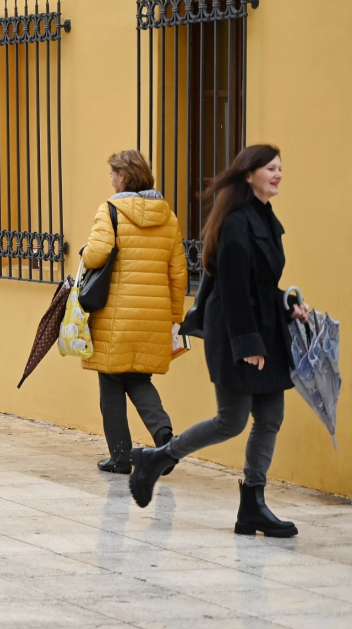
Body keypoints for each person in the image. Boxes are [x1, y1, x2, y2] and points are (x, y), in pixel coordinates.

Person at [129, 145, 310, 538]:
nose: (278, 174)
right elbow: (231, 289)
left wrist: (289, 305)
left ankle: (253, 506)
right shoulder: (236, 223)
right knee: (231, 420)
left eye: (281, 168)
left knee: (270, 418)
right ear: (249, 175)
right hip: (236, 333)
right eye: (270, 168)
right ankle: (156, 458)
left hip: (263, 330)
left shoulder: (264, 216)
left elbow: (261, 284)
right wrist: (247, 344)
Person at [80, 151, 187, 473]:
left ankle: (121, 457)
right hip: (153, 315)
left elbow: (97, 256)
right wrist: (174, 318)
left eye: (113, 174)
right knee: (139, 379)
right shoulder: (168, 217)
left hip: (115, 313)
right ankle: (164, 439)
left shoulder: (110, 210)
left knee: (111, 383)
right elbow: (178, 273)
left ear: (123, 177)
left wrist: (86, 252)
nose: (111, 181)